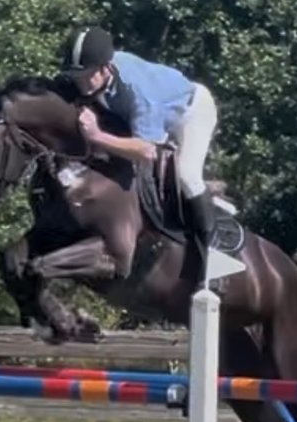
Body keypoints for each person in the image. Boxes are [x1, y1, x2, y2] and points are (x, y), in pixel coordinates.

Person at [58, 26, 220, 270]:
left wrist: (97, 136)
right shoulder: (90, 79)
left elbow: (146, 151)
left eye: (87, 75)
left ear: (106, 68)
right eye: (75, 76)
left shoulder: (136, 90)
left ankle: (212, 257)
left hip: (189, 112)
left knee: (187, 175)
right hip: (143, 115)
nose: (81, 83)